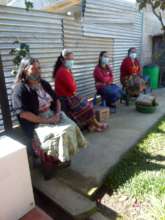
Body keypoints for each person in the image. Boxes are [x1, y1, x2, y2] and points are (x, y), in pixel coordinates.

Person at [12, 57, 87, 172]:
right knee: (58, 134)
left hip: (52, 114)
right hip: (36, 122)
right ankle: (51, 162)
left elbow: (56, 99)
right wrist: (49, 121)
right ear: (25, 70)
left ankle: (63, 156)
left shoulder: (43, 83)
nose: (38, 70)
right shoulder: (20, 89)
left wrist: (57, 114)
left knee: (71, 126)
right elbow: (23, 114)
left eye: (39, 67)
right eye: (34, 68)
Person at [53, 49, 108, 132]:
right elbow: (73, 88)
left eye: (72, 59)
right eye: (69, 59)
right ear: (62, 60)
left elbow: (73, 86)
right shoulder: (62, 71)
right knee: (87, 107)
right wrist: (74, 84)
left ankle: (93, 124)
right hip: (65, 99)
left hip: (70, 96)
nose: (71, 61)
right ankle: (96, 124)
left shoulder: (67, 70)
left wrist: (73, 84)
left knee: (87, 104)